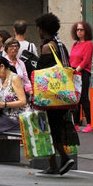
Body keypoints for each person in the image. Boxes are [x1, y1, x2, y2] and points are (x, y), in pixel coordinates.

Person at [33, 12, 76, 176]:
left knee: (48, 129)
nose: (38, 31)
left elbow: (41, 71)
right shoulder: (61, 45)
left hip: (50, 96)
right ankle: (54, 164)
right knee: (55, 127)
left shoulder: (47, 47)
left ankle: (62, 159)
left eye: (39, 28)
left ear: (42, 29)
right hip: (62, 94)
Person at [0, 53, 27, 137]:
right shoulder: (2, 80)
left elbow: (23, 101)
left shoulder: (14, 78)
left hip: (15, 117)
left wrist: (3, 104)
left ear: (2, 66)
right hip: (5, 116)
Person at [70, 21, 93, 132]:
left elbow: (86, 60)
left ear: (86, 31)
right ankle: (75, 123)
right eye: (77, 30)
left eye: (81, 30)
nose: (79, 32)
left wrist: (77, 70)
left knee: (84, 97)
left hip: (83, 72)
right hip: (74, 72)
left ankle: (90, 123)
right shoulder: (75, 44)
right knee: (75, 98)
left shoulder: (88, 44)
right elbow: (71, 58)